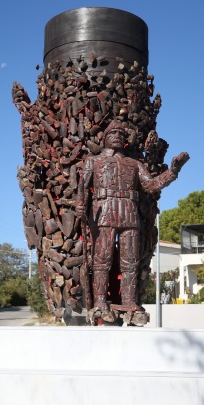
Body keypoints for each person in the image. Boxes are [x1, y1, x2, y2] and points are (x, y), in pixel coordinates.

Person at [76, 120, 188, 320]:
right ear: (104, 139)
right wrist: (81, 206)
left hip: (129, 212)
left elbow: (151, 186)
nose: (117, 136)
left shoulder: (134, 164)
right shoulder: (94, 161)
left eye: (121, 133)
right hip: (104, 212)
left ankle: (129, 301)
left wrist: (173, 172)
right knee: (102, 259)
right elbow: (83, 187)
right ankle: (100, 301)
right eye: (113, 133)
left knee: (130, 261)